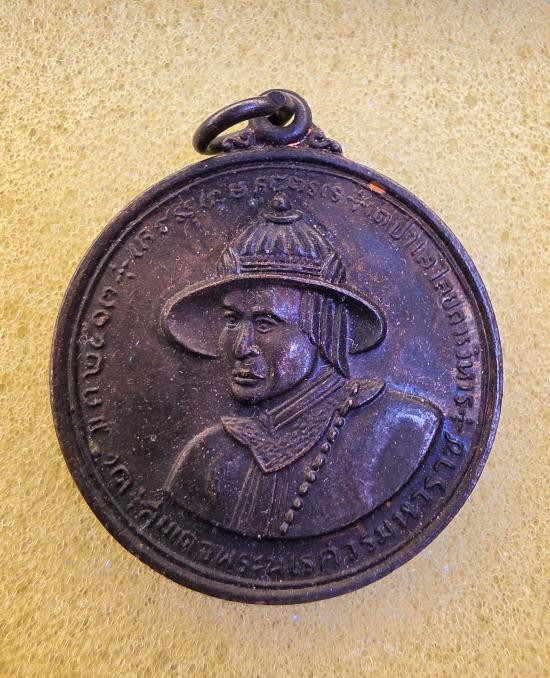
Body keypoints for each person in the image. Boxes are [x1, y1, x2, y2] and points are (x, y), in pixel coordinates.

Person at [161, 194, 442, 538]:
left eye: (265, 323)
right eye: (232, 320)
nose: (241, 346)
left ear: (321, 330)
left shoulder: (404, 430)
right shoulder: (208, 457)